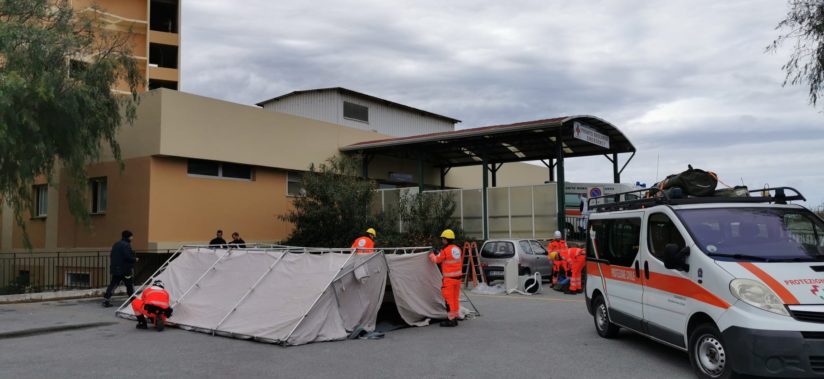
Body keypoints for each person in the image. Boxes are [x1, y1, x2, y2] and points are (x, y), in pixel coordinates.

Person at [429, 229, 463, 327]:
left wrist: (432, 254)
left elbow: (436, 260)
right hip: (458, 279)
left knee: (449, 300)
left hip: (449, 279)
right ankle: (455, 317)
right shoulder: (458, 249)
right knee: (455, 299)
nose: (442, 240)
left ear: (446, 239)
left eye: (443, 239)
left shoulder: (445, 250)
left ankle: (451, 320)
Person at [103, 230, 137, 308]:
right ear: (128, 237)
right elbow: (128, 257)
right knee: (129, 285)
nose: (132, 238)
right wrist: (134, 259)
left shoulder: (116, 244)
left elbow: (112, 255)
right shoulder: (126, 245)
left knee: (113, 284)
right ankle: (133, 300)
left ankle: (106, 299)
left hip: (116, 268)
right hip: (125, 269)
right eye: (131, 236)